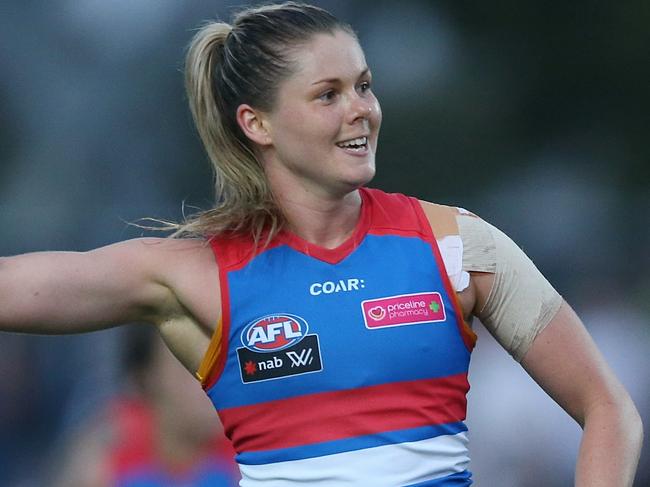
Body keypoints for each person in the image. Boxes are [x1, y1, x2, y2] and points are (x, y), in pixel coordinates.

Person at [0, 2, 643, 486]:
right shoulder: (196, 273)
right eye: (327, 95)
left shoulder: (457, 244)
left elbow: (609, 410)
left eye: (364, 85)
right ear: (257, 123)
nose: (360, 109)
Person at [52, 327, 240, 487]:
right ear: (144, 377)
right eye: (191, 368)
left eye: (218, 364)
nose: (213, 382)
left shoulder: (249, 454)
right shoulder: (103, 459)